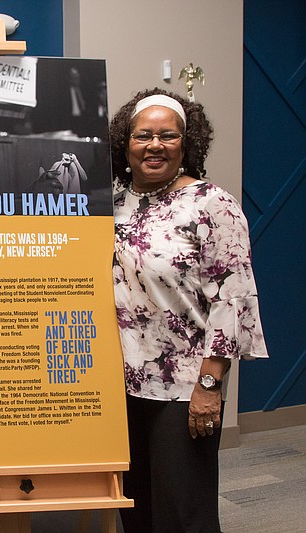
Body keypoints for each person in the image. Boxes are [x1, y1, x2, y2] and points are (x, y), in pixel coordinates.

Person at [110, 88, 269, 532]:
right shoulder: (112, 203)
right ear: (126, 143)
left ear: (187, 142)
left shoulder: (212, 205)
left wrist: (208, 386)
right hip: (118, 384)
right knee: (134, 506)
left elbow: (233, 300)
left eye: (168, 136)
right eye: (143, 135)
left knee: (183, 512)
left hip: (183, 387)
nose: (155, 145)